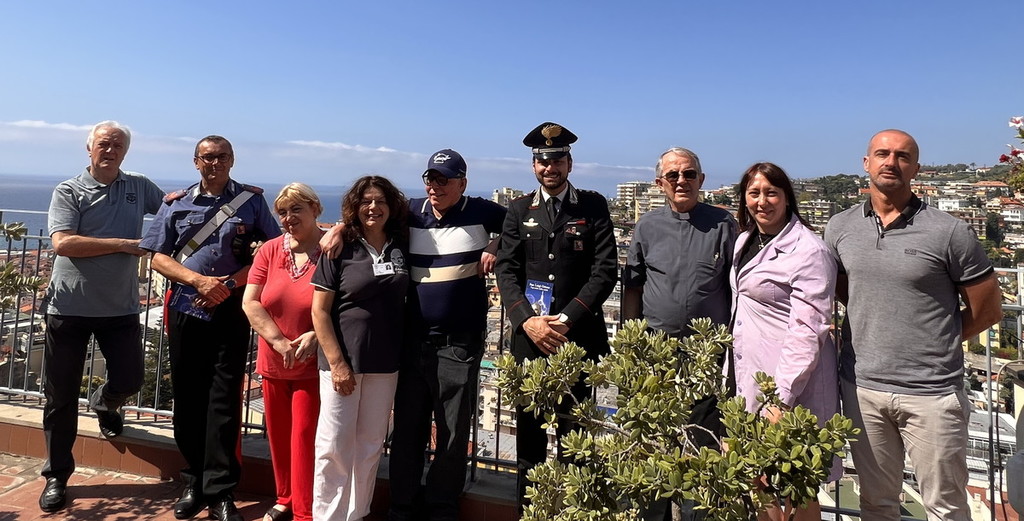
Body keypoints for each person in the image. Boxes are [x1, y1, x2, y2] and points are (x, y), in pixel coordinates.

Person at [824, 130, 1002, 521]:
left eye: (902, 156)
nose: (891, 162)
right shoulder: (839, 227)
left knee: (946, 508)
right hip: (862, 388)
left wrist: (935, 342)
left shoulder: (949, 232)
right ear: (866, 163)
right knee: (876, 504)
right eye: (882, 154)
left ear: (916, 169)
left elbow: (988, 310)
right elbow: (846, 291)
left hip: (932, 393)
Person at [140, 135, 281, 521]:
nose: (215, 163)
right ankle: (193, 481)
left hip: (231, 309)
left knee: (223, 398)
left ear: (232, 160)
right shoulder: (176, 203)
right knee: (188, 396)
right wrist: (199, 282)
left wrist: (228, 285)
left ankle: (220, 491)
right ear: (196, 162)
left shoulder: (252, 201)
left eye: (222, 157)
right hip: (187, 306)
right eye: (208, 157)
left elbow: (272, 252)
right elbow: (157, 258)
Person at [39, 120, 164, 513]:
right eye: (104, 144)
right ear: (89, 147)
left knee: (131, 378)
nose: (110, 151)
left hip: (120, 306)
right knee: (60, 398)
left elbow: (173, 213)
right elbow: (63, 243)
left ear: (126, 152)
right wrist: (125, 244)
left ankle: (106, 403)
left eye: (118, 146)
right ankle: (57, 475)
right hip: (69, 308)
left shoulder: (138, 186)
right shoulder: (69, 190)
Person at [494, 122, 617, 505]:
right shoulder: (519, 209)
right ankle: (528, 511)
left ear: (569, 163)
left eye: (557, 160)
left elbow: (605, 270)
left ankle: (573, 511)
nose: (550, 168)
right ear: (534, 165)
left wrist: (565, 320)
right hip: (530, 340)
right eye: (543, 161)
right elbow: (506, 270)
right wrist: (527, 321)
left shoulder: (592, 206)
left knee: (574, 438)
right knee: (529, 439)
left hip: (575, 339)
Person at [621, 147, 735, 521]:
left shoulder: (724, 224)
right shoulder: (647, 226)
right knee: (655, 445)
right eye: (673, 175)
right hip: (656, 352)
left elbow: (737, 287)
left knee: (703, 445)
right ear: (660, 183)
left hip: (707, 354)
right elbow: (633, 287)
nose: (681, 181)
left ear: (701, 180)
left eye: (689, 174)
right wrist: (630, 347)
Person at [731, 162, 838, 521]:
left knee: (796, 485)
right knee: (757, 481)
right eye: (754, 193)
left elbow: (809, 330)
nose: (762, 201)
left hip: (791, 384)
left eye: (771, 193)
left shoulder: (809, 251)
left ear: (787, 197)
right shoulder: (745, 240)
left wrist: (781, 398)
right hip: (750, 375)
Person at [310, 176, 409, 521]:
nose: (373, 207)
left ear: (391, 206)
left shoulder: (401, 243)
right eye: (366, 201)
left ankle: (356, 514)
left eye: (380, 201)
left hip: (385, 363)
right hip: (343, 364)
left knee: (370, 446)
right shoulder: (340, 248)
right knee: (334, 446)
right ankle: (328, 517)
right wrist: (338, 364)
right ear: (355, 206)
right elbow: (319, 311)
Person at [242, 183, 324, 521]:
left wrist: (316, 334)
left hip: (313, 362)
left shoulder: (332, 248)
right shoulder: (270, 250)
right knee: (278, 435)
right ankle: (285, 497)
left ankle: (305, 511)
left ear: (315, 209)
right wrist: (278, 341)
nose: (289, 218)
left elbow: (344, 303)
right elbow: (251, 302)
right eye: (283, 212)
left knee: (304, 436)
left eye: (296, 209)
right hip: (274, 359)